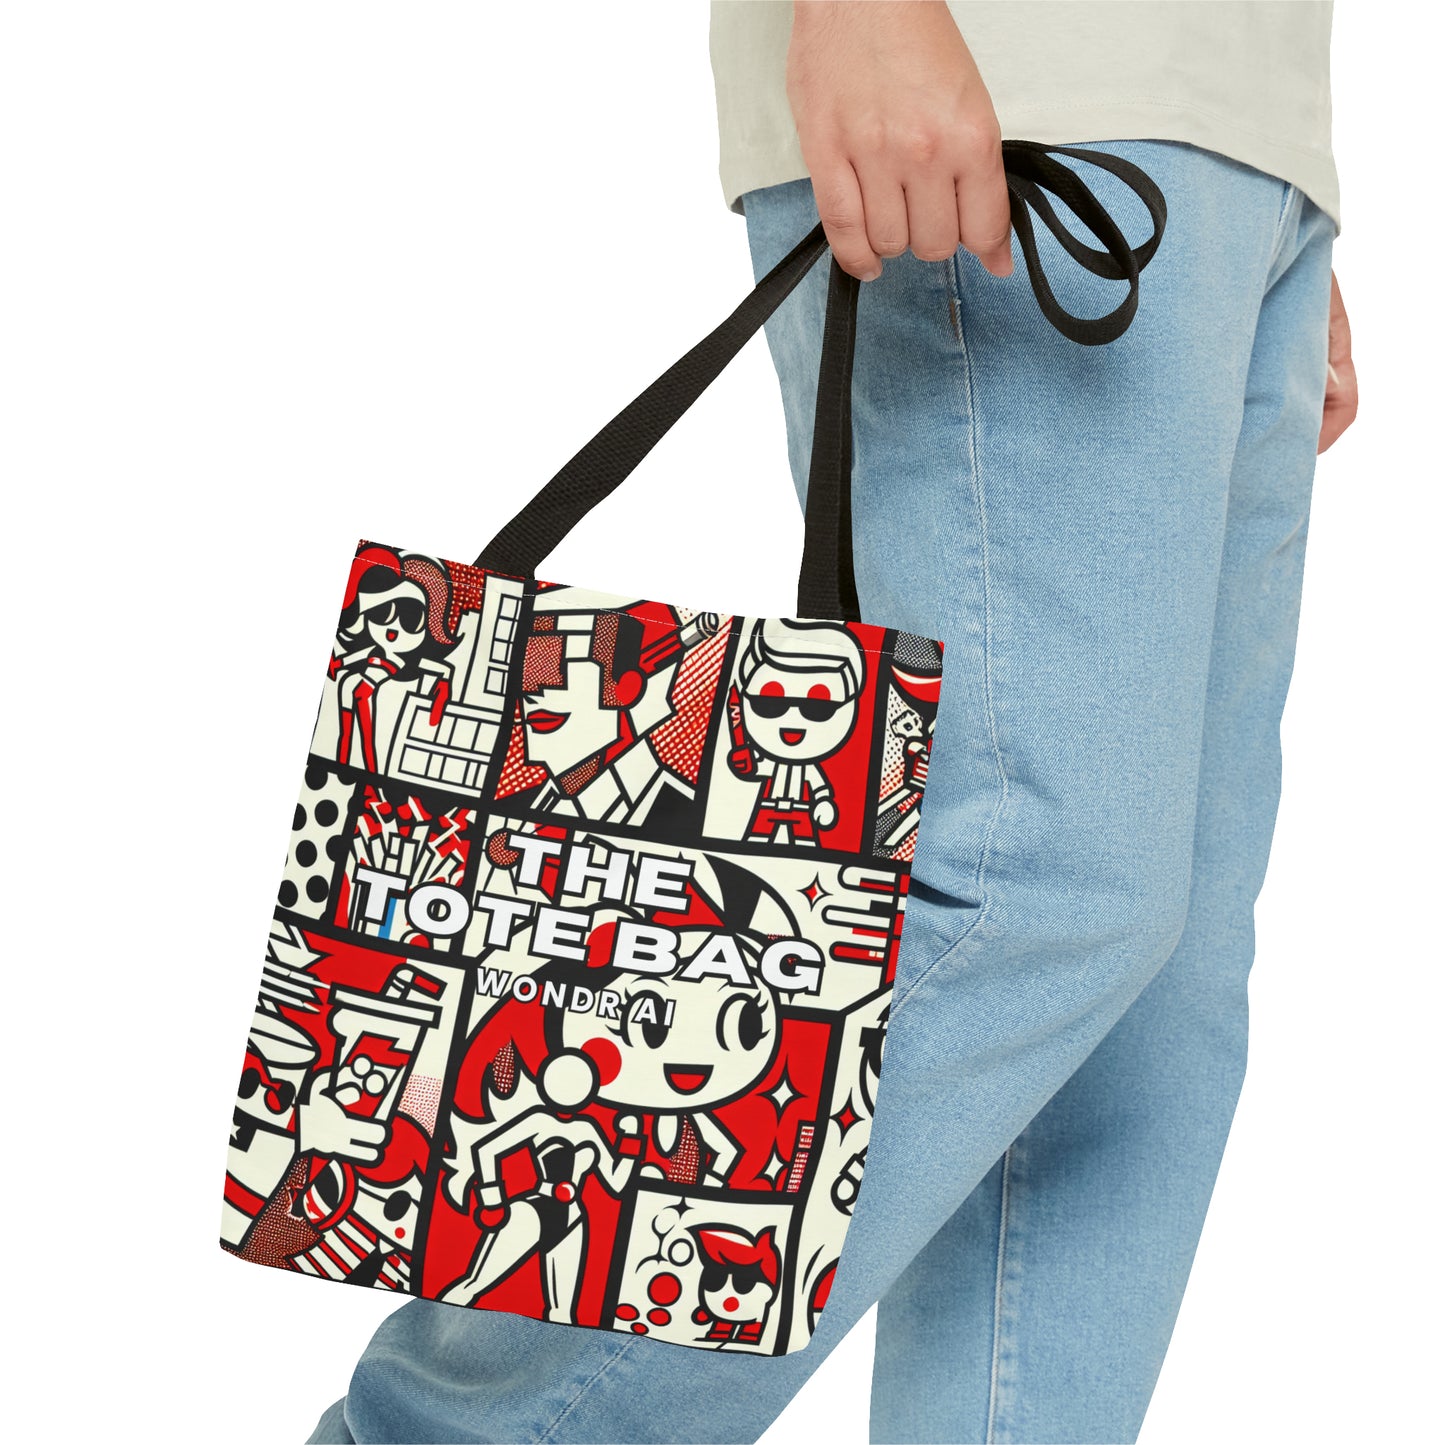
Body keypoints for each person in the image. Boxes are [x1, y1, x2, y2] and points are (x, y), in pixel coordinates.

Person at [306, 2, 1357, 1440]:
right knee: (1025, 885)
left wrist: (1271, 176)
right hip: (1018, 85)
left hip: (1228, 141)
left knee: (1145, 1014)